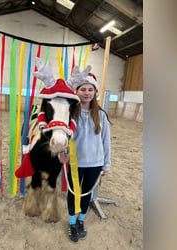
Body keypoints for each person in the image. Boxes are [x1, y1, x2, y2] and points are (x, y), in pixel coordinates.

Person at [59, 72, 111, 243]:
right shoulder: (70, 113)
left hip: (95, 163)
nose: (87, 93)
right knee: (74, 194)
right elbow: (63, 137)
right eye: (83, 89)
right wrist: (62, 154)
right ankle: (72, 223)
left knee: (86, 195)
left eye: (90, 89)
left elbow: (105, 141)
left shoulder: (101, 115)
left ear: (95, 92)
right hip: (75, 163)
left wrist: (106, 164)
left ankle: (81, 220)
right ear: (77, 91)